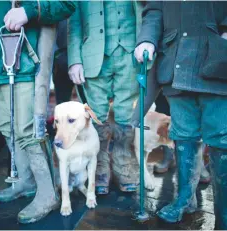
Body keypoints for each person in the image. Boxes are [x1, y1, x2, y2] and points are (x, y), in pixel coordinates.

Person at [135, 1, 227, 229]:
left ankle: (225, 212)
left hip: (222, 58)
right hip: (177, 60)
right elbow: (154, 9)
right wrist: (147, 39)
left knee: (222, 136)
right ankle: (185, 199)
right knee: (183, 134)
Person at [0, 1, 75, 224]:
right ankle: (26, 181)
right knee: (7, 126)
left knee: (28, 129)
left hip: (26, 60)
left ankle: (48, 194)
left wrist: (28, 11)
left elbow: (65, 4)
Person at [67, 1, 153, 194]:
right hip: (93, 56)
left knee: (127, 114)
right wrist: (74, 60)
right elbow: (74, 23)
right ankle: (99, 169)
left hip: (132, 53)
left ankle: (124, 165)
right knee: (96, 116)